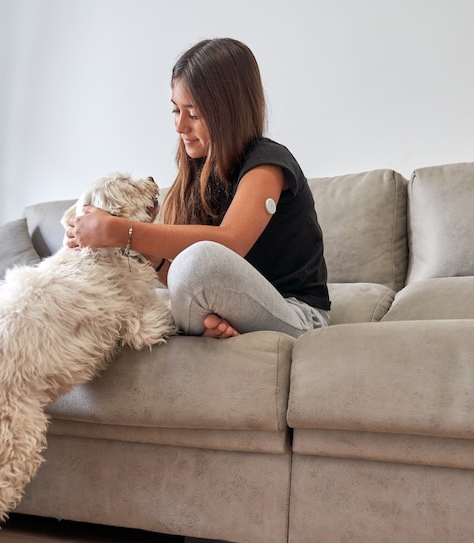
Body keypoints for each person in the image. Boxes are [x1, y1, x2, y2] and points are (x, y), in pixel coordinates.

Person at [64, 38, 330, 339]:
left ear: (228, 113)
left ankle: (197, 331)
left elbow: (230, 244)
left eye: (194, 113)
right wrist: (145, 254)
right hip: (233, 304)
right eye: (176, 111)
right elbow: (181, 278)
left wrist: (119, 231)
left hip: (298, 314)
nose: (180, 126)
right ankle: (208, 330)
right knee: (168, 283)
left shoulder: (268, 164)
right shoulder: (197, 172)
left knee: (199, 260)